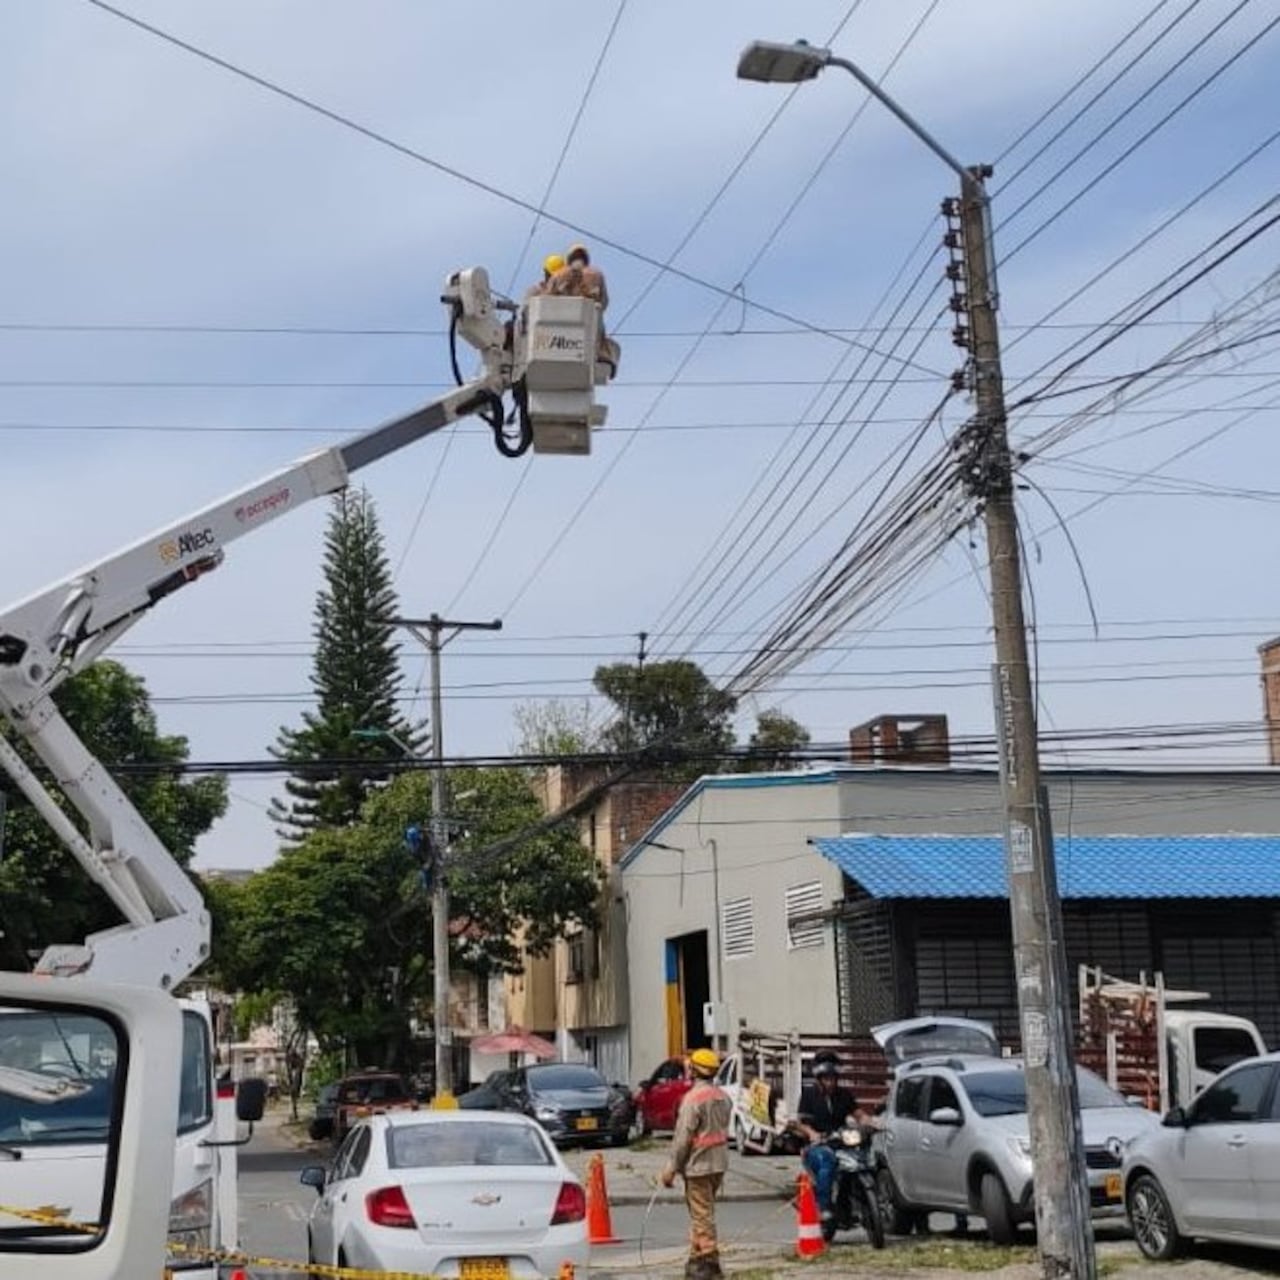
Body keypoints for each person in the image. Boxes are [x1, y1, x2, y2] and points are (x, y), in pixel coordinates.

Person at [661, 1048, 732, 1280]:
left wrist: (671, 1168)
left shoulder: (692, 1100)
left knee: (702, 1216)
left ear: (694, 1069)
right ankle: (696, 1260)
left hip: (698, 1165)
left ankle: (710, 1265)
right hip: (718, 1164)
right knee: (702, 1214)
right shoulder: (723, 1097)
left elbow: (682, 1138)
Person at [793, 1057, 871, 1223]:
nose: (830, 1082)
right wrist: (812, 1133)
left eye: (833, 1079)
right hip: (815, 1146)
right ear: (819, 1080)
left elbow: (859, 1114)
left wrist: (871, 1122)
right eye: (827, 1079)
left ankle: (856, 1204)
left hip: (840, 1142)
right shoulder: (809, 1095)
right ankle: (824, 1206)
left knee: (860, 1161)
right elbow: (801, 1123)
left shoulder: (844, 1095)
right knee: (827, 1161)